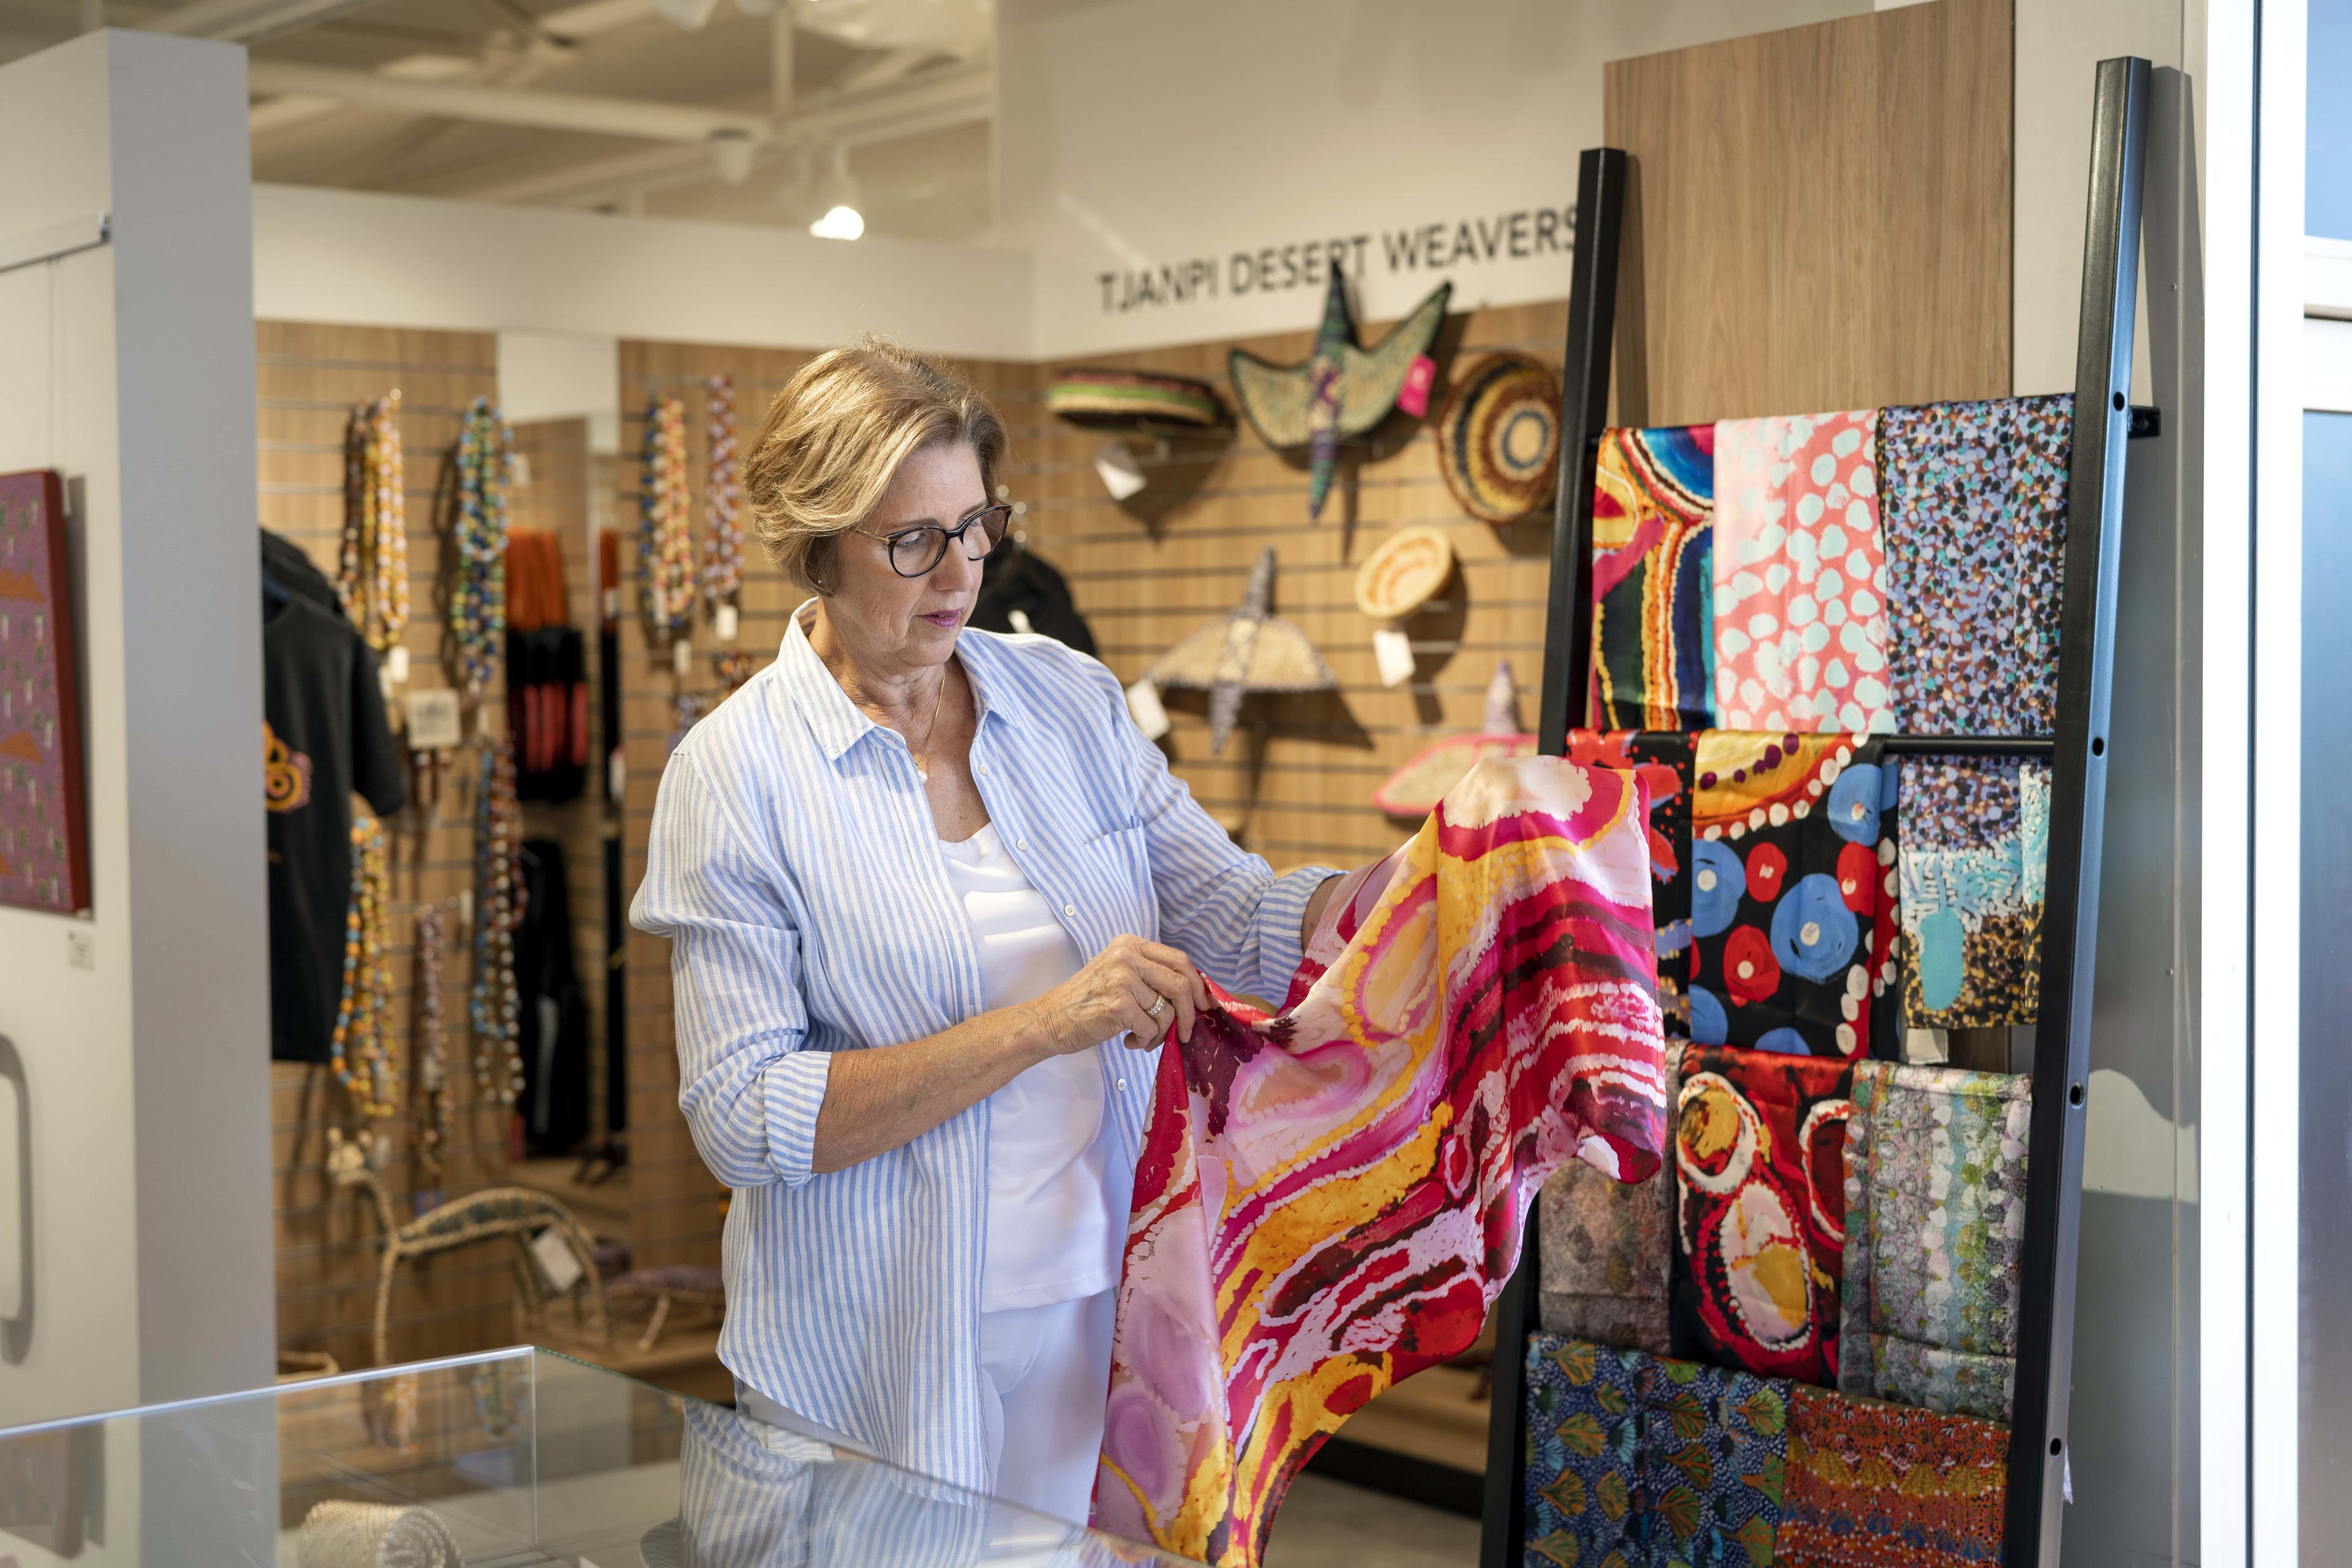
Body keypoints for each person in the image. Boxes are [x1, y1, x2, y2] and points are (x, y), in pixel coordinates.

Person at [632, 340, 1344, 1525]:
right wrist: (1042, 1027)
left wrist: (1436, 873)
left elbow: (1234, 913)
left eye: (977, 525)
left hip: (1087, 1301)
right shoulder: (737, 771)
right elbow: (744, 1118)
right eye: (912, 541)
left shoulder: (1062, 697)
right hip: (870, 1353)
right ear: (817, 546)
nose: (959, 571)